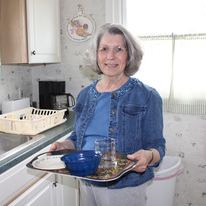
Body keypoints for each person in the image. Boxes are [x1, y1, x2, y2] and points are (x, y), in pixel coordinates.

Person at [49, 23, 166, 206]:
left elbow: (158, 148)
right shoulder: (85, 95)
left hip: (125, 187)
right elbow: (77, 137)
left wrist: (148, 156)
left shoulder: (147, 96)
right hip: (86, 180)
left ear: (129, 55)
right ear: (96, 55)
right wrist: (63, 145)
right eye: (104, 49)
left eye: (119, 49)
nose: (110, 56)